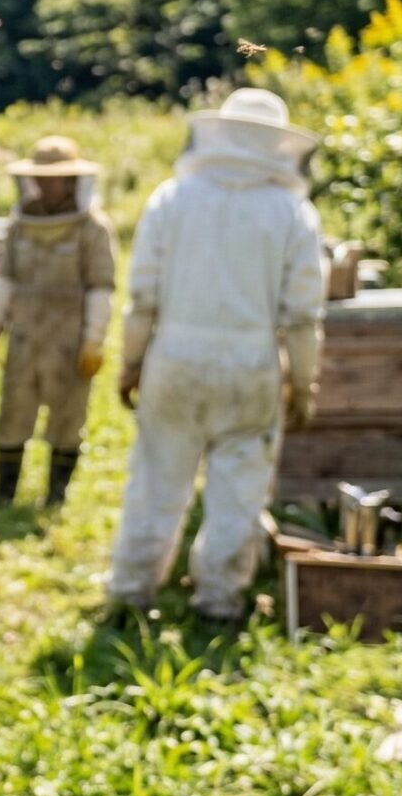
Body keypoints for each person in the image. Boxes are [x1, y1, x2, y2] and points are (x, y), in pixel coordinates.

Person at [107, 88, 325, 624]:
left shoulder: (172, 198)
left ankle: (132, 595)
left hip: (174, 358)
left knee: (158, 479)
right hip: (252, 365)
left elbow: (141, 300)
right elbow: (301, 316)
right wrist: (304, 381)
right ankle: (219, 603)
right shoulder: (292, 213)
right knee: (239, 487)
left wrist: (131, 363)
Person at [0, 136, 115, 508]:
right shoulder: (20, 225)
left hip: (70, 335)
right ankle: (4, 493)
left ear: (73, 180)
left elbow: (101, 288)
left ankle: (56, 496)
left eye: (56, 178)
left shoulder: (93, 229)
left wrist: (93, 340)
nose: (47, 184)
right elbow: (5, 278)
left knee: (68, 413)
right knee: (13, 410)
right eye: (41, 177)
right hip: (24, 333)